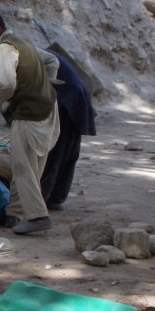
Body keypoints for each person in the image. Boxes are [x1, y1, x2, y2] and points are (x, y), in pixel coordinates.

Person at [0, 9, 59, 235]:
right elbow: (52, 60)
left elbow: (7, 86)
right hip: (48, 110)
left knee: (22, 168)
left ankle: (38, 216)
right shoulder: (23, 42)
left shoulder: (4, 47)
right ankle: (18, 212)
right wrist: (43, 86)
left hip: (30, 115)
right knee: (33, 167)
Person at [40, 49, 96, 210]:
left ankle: (43, 197)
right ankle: (56, 196)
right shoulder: (42, 54)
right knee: (68, 150)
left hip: (68, 100)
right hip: (76, 96)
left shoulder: (27, 58)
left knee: (56, 150)